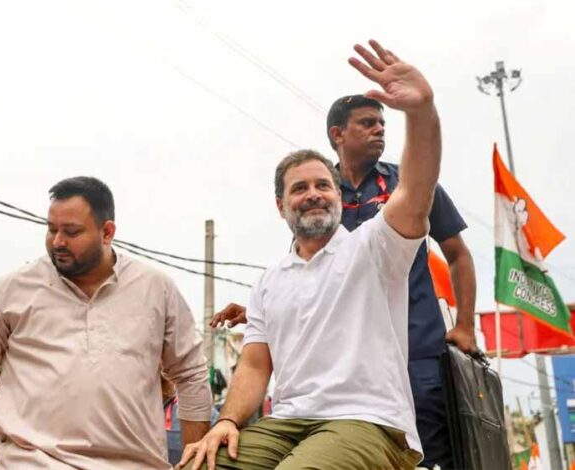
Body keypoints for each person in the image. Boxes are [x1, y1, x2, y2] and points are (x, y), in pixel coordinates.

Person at [180, 39, 439, 470]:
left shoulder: (375, 247)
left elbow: (416, 189)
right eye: (299, 188)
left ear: (338, 197)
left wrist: (421, 112)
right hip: (286, 424)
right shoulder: (269, 282)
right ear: (280, 206)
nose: (313, 194)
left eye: (323, 185)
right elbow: (255, 366)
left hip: (368, 423)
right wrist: (226, 420)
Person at [0, 176, 212, 469]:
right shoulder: (14, 289)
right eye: (51, 229)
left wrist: (194, 459)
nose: (58, 241)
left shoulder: (156, 289)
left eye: (71, 232)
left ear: (107, 232)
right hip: (32, 461)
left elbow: (191, 374)